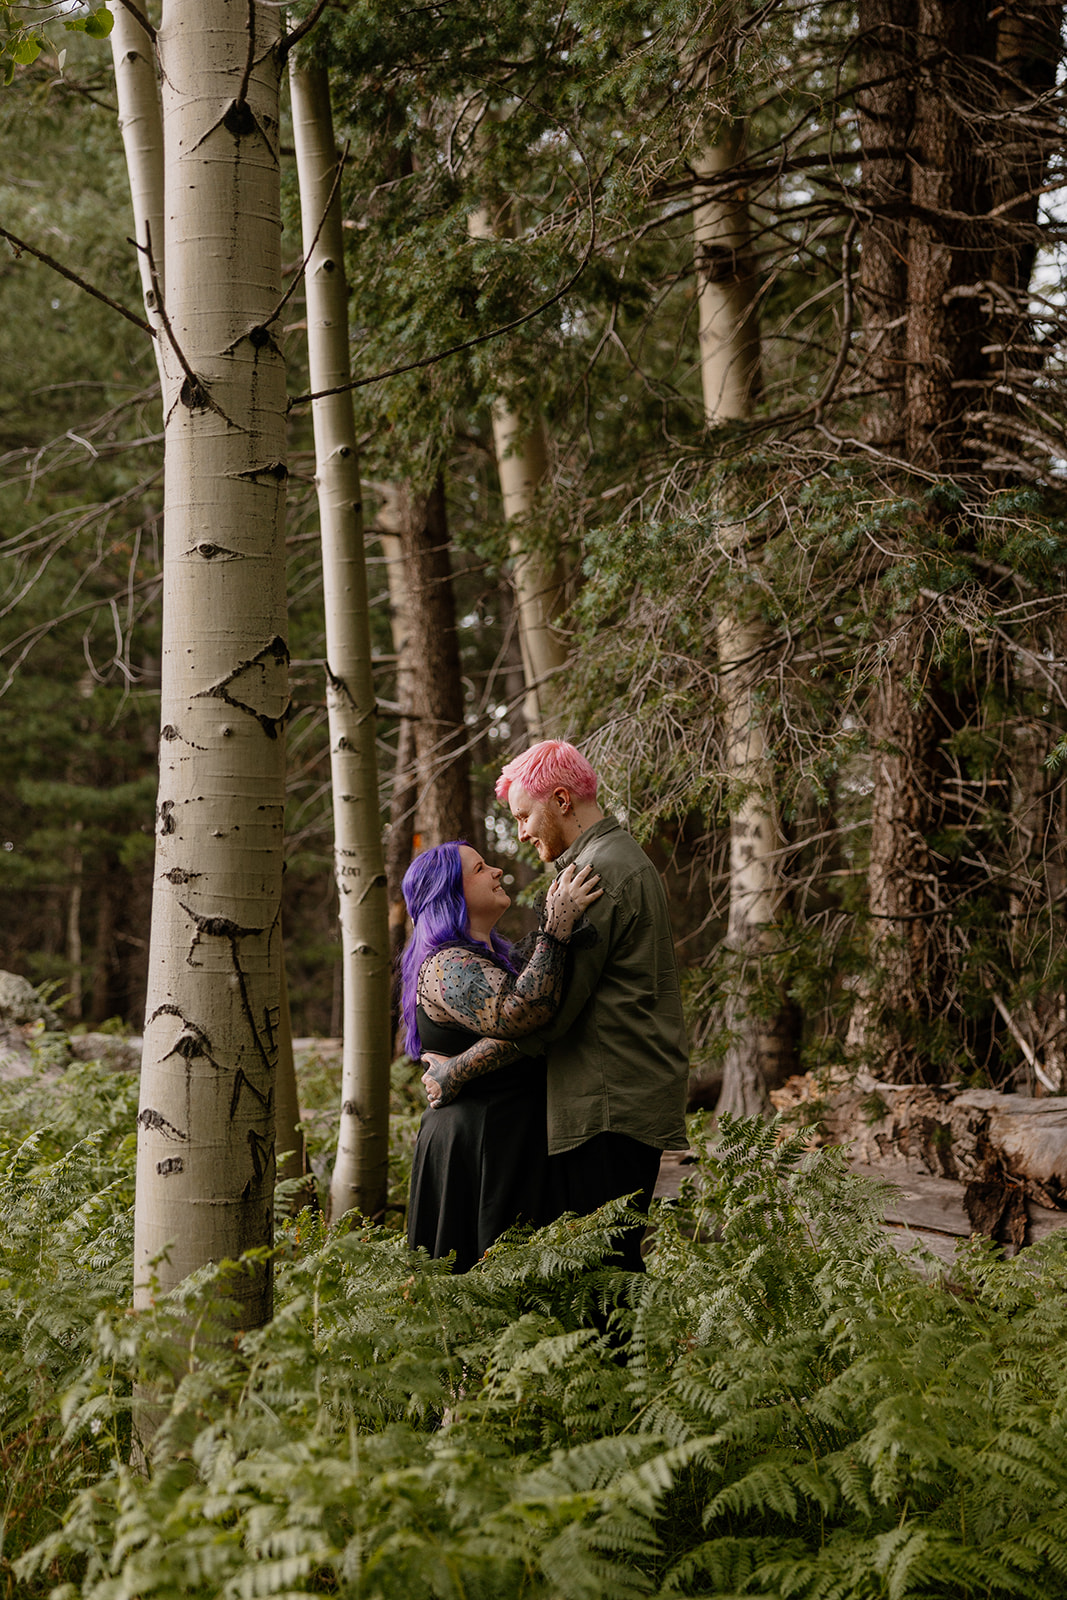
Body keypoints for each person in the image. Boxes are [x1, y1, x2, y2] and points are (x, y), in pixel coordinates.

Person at [422, 741, 690, 1272]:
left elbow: (545, 1016)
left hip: (606, 1104)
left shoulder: (597, 876)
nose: (520, 833)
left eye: (524, 816)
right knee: (601, 1273)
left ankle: (618, 1359)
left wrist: (454, 1071)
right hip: (610, 1098)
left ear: (562, 800)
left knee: (603, 1277)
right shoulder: (610, 861)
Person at [402, 839, 601, 1272]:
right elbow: (522, 1013)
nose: (496, 871)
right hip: (476, 1144)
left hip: (508, 1136)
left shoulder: (497, 955)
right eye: (479, 869)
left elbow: (549, 1012)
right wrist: (556, 931)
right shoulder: (445, 965)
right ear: (449, 893)